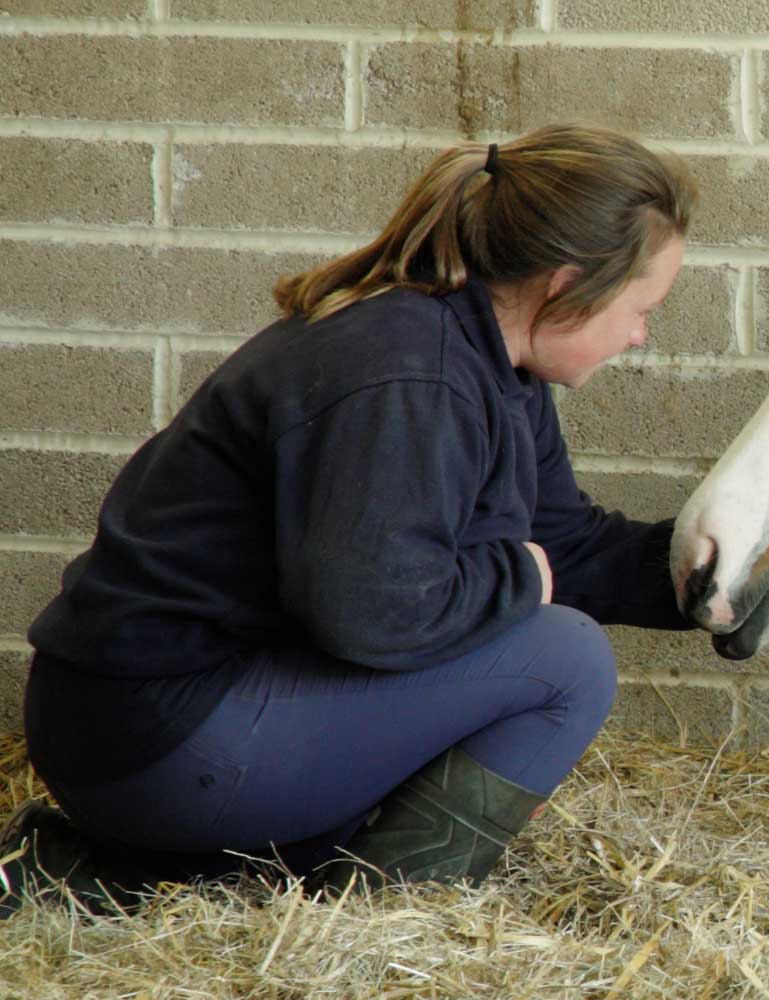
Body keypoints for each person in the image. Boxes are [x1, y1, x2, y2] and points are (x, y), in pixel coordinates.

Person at [2, 123, 705, 908]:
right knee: (564, 659)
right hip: (157, 734)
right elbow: (375, 612)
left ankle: (98, 876)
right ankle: (382, 917)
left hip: (180, 716)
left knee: (507, 652)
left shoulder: (487, 361)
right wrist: (520, 575)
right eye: (643, 307)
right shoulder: (409, 374)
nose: (642, 335)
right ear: (565, 285)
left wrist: (727, 575)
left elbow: (565, 543)